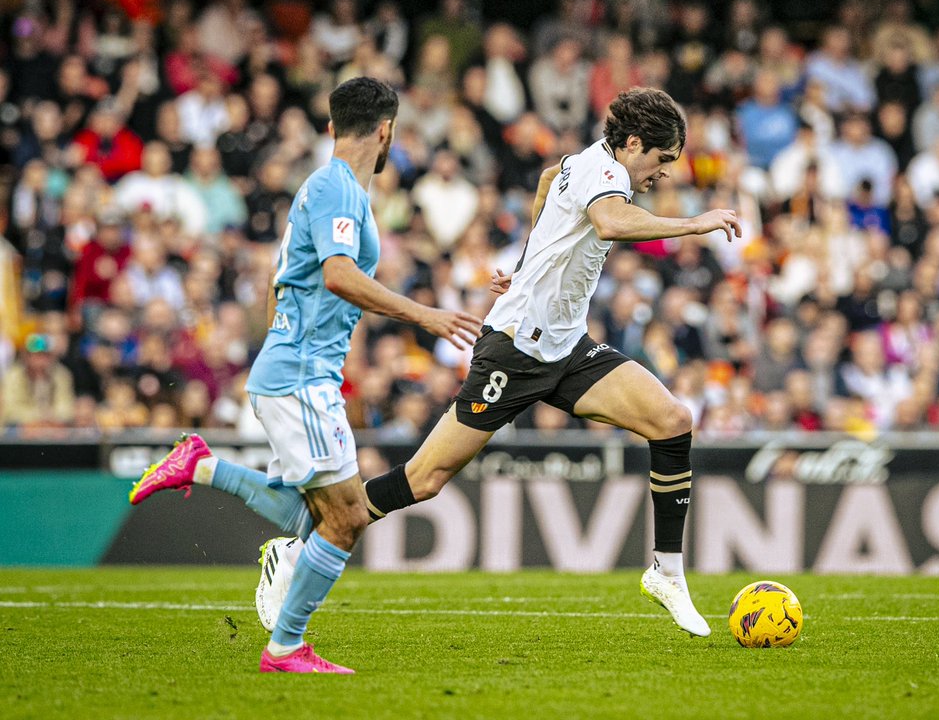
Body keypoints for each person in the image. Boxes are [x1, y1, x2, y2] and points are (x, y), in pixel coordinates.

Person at [258, 87, 741, 639]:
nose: (662, 175)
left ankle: (667, 572)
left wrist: (527, 264)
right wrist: (694, 223)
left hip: (566, 348)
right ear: (633, 144)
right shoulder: (604, 178)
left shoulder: (585, 162)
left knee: (673, 421)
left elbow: (544, 180)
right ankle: (298, 549)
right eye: (660, 161)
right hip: (515, 351)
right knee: (425, 478)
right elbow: (610, 223)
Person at [126, 77, 482, 674]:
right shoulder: (340, 190)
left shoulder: (324, 188)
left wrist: (285, 347)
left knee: (319, 517)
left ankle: (202, 464)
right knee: (344, 519)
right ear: (387, 130)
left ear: (330, 127)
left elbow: (279, 278)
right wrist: (425, 314)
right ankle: (286, 646)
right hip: (300, 377)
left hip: (294, 371)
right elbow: (339, 275)